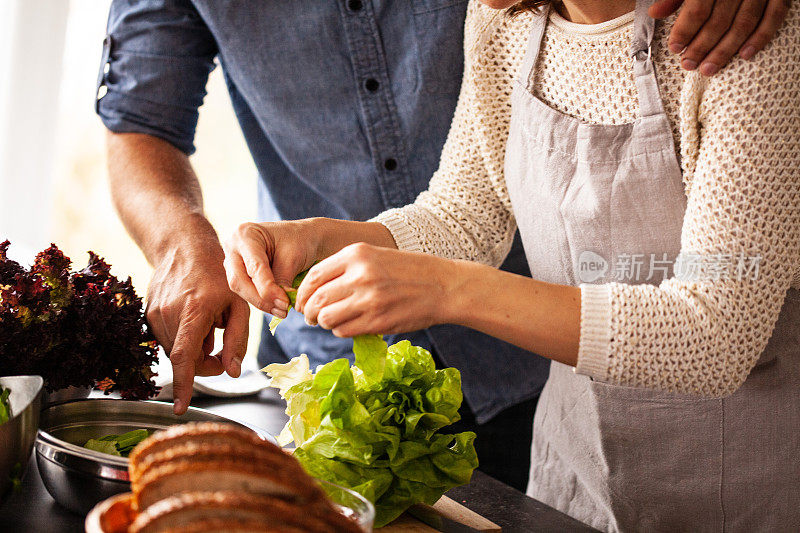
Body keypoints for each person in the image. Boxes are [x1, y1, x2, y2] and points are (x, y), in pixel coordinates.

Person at [98, 0, 786, 492]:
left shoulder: (747, 39)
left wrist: (448, 289)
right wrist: (317, 241)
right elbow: (464, 214)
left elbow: (715, 334)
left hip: (732, 484)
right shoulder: (507, 22)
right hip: (576, 478)